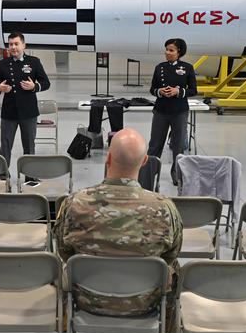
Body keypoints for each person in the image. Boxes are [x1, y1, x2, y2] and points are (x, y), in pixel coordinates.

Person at [55, 128, 183, 318]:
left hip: (87, 299)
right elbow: (170, 255)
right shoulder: (165, 208)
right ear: (145, 161)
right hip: (146, 302)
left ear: (108, 158)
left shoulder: (74, 203)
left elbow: (64, 251)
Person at [0, 32, 50, 166]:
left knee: (29, 146)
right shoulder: (4, 63)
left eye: (16, 44)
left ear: (24, 45)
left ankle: (29, 175)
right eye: (10, 44)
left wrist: (34, 86)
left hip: (28, 112)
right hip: (9, 112)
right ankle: (4, 176)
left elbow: (46, 83)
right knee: (5, 146)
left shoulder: (33, 61)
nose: (13, 47)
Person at [147, 38, 197, 185]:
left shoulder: (187, 68)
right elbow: (152, 89)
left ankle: (177, 173)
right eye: (166, 49)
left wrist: (178, 91)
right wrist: (160, 91)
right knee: (155, 144)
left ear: (179, 52)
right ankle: (150, 172)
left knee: (178, 145)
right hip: (161, 111)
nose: (167, 52)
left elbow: (193, 90)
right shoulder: (159, 67)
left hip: (179, 111)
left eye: (171, 50)